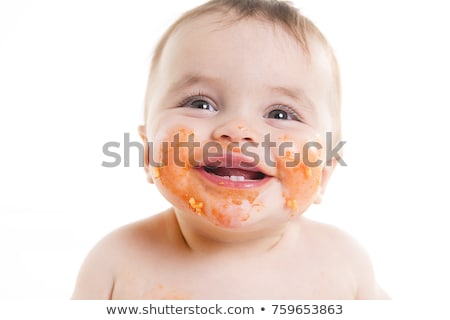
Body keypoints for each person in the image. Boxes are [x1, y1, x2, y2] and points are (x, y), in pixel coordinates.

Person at [72, 0, 389, 299]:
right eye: (201, 103)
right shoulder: (115, 266)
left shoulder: (344, 267)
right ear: (147, 153)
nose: (239, 130)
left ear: (324, 171)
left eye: (280, 114)